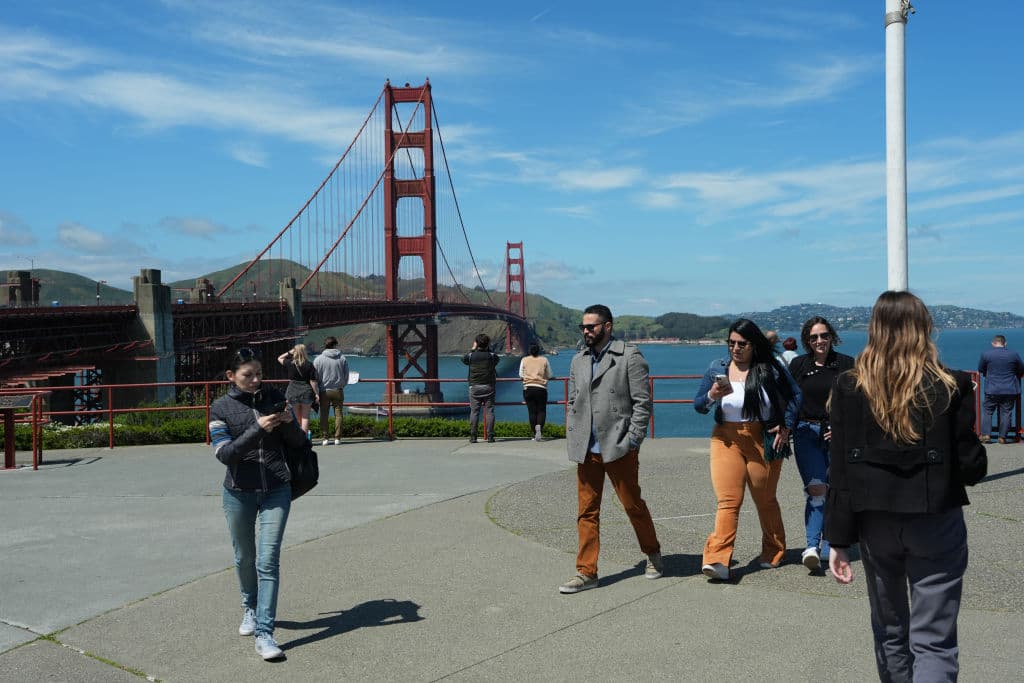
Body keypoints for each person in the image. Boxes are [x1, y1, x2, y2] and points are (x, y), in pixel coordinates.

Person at [826, 291, 987, 682]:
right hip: (935, 519)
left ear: (874, 329)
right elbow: (972, 467)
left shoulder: (849, 387)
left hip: (874, 521)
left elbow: (841, 471)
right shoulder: (950, 385)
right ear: (924, 329)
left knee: (890, 630)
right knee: (934, 640)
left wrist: (837, 541)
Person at [209, 347, 308, 661]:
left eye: (259, 374)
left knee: (267, 560)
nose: (255, 380)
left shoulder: (275, 397)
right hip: (238, 491)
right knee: (244, 557)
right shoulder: (220, 408)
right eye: (247, 375)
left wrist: (289, 422)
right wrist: (259, 428)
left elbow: (300, 445)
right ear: (231, 377)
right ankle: (249, 607)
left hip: (277, 488)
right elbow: (225, 454)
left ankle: (265, 633)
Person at [559, 304, 663, 594]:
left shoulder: (629, 357)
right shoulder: (578, 360)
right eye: (583, 327)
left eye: (591, 326)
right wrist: (573, 429)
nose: (586, 331)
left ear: (608, 326)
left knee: (632, 505)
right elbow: (574, 399)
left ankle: (653, 553)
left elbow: (643, 403)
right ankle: (586, 572)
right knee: (587, 512)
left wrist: (633, 441)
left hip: (618, 446)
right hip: (586, 448)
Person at [693, 319, 801, 581]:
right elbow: (699, 404)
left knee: (765, 499)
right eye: (731, 343)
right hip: (725, 438)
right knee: (728, 501)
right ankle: (718, 559)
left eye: (742, 344)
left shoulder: (771, 368)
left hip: (761, 437)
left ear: (754, 345)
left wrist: (786, 427)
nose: (736, 349)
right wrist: (712, 395)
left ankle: (774, 549)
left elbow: (796, 396)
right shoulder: (717, 368)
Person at [786, 317, 854, 571]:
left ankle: (830, 543)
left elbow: (857, 401)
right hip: (805, 432)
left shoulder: (846, 364)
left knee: (834, 490)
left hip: (836, 435)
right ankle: (812, 546)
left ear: (831, 336)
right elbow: (788, 399)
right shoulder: (798, 365)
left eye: (824, 335)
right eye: (814, 337)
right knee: (816, 489)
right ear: (807, 341)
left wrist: (841, 429)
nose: (819, 341)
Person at [977, 334, 1024, 444]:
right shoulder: (1014, 354)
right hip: (1010, 389)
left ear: (993, 343)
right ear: (1005, 343)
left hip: (992, 389)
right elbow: (1021, 369)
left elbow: (981, 369)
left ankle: (986, 435)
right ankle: (1002, 437)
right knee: (1006, 413)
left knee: (988, 411)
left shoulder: (986, 354)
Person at [462, 333, 500, 443]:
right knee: (490, 412)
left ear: (476, 343)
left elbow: (463, 359)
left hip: (474, 387)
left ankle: (473, 436)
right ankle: (490, 436)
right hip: (489, 386)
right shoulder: (492, 356)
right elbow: (496, 360)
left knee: (474, 412)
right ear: (488, 344)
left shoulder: (471, 356)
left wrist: (473, 349)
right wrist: (488, 349)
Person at [313, 336, 349, 446]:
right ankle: (337, 438)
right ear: (335, 345)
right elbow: (346, 375)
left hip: (324, 391)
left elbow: (315, 376)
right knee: (339, 414)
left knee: (324, 414)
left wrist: (318, 389)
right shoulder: (342, 358)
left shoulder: (318, 359)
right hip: (338, 390)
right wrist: (342, 385)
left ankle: (325, 438)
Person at [277, 343, 318, 436]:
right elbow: (313, 381)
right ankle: (304, 439)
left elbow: (279, 358)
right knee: (305, 417)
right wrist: (316, 393)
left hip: (292, 391)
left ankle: (296, 438)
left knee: (295, 417)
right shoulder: (309, 364)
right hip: (306, 392)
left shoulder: (290, 362)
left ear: (295, 352)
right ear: (304, 352)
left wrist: (289, 352)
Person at [519, 342, 553, 441]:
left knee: (532, 412)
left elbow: (521, 375)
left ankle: (535, 434)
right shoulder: (544, 360)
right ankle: (539, 429)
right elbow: (550, 375)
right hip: (541, 389)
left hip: (528, 389)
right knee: (541, 411)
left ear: (529, 351)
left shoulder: (524, 360)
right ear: (539, 350)